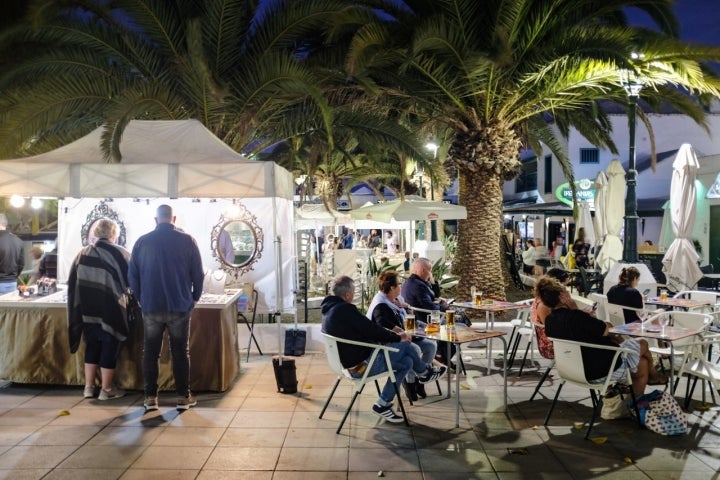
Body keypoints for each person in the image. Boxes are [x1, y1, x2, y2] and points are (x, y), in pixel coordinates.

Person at [321, 275, 447, 423]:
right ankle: (424, 372)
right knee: (406, 346)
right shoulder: (345, 310)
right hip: (361, 367)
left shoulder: (329, 310)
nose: (354, 295)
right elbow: (373, 330)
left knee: (407, 362)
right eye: (354, 292)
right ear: (347, 294)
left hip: (349, 365)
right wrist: (398, 337)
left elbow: (366, 330)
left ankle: (382, 404)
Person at [129, 204, 204, 412]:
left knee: (150, 352)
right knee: (180, 351)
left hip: (151, 305)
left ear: (156, 220)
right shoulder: (187, 241)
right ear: (174, 219)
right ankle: (182, 396)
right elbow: (198, 273)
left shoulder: (142, 242)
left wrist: (140, 298)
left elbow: (132, 275)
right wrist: (195, 297)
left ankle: (150, 398)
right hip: (180, 305)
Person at [538, 277, 666, 396]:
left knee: (642, 363)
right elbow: (609, 329)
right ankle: (652, 378)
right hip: (602, 369)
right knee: (643, 343)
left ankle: (636, 405)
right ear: (562, 297)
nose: (569, 293)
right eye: (566, 291)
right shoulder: (577, 317)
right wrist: (574, 308)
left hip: (571, 371)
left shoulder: (549, 321)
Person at [67, 219, 131, 400]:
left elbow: (72, 282)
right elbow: (131, 281)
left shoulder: (82, 253)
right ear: (114, 235)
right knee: (109, 345)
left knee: (92, 345)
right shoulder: (122, 254)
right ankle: (107, 389)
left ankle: (88, 388)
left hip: (87, 309)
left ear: (95, 233)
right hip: (111, 308)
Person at [367, 270, 438, 401]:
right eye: (399, 284)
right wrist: (401, 333)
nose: (402, 286)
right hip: (388, 344)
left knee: (430, 346)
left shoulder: (397, 299)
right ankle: (411, 382)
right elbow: (382, 324)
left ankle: (420, 379)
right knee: (414, 350)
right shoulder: (380, 304)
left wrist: (407, 308)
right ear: (392, 287)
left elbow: (408, 318)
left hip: (408, 335)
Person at [401, 257, 456, 368]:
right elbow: (429, 306)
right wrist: (442, 306)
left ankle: (442, 354)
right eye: (429, 270)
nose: (431, 273)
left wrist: (433, 282)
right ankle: (442, 355)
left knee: (456, 320)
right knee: (454, 324)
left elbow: (435, 296)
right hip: (425, 318)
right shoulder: (418, 285)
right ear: (422, 270)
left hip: (425, 314)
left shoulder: (415, 281)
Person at [0, 213, 24, 294]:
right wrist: (13, 276)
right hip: (12, 284)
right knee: (10, 307)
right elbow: (21, 264)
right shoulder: (18, 241)